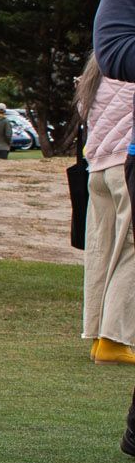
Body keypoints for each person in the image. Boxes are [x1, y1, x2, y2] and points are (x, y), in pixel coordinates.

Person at [76, 56, 135, 364]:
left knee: (102, 248)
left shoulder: (96, 73)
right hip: (126, 165)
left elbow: (83, 112)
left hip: (97, 168)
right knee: (131, 249)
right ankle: (114, 338)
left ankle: (99, 334)